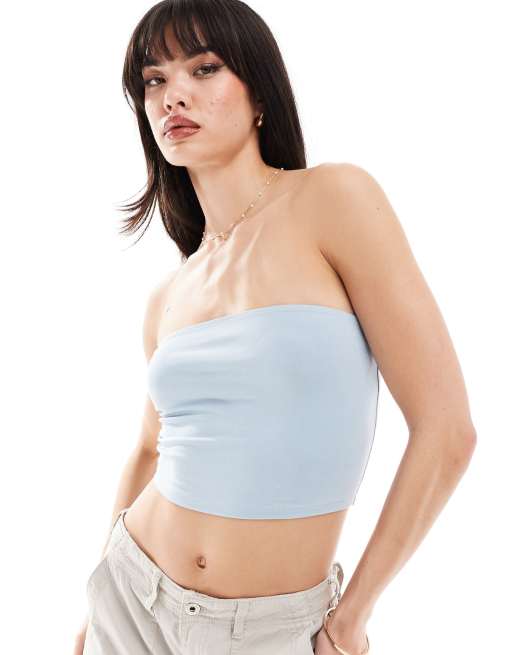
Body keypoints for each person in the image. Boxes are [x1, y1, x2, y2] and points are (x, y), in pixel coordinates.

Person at [74, 1, 477, 654]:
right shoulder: (168, 295)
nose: (173, 94)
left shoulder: (332, 200)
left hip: (270, 629)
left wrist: (349, 619)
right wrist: (93, 614)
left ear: (260, 93)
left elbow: (446, 429)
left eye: (204, 68)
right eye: (154, 80)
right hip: (129, 602)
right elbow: (149, 450)